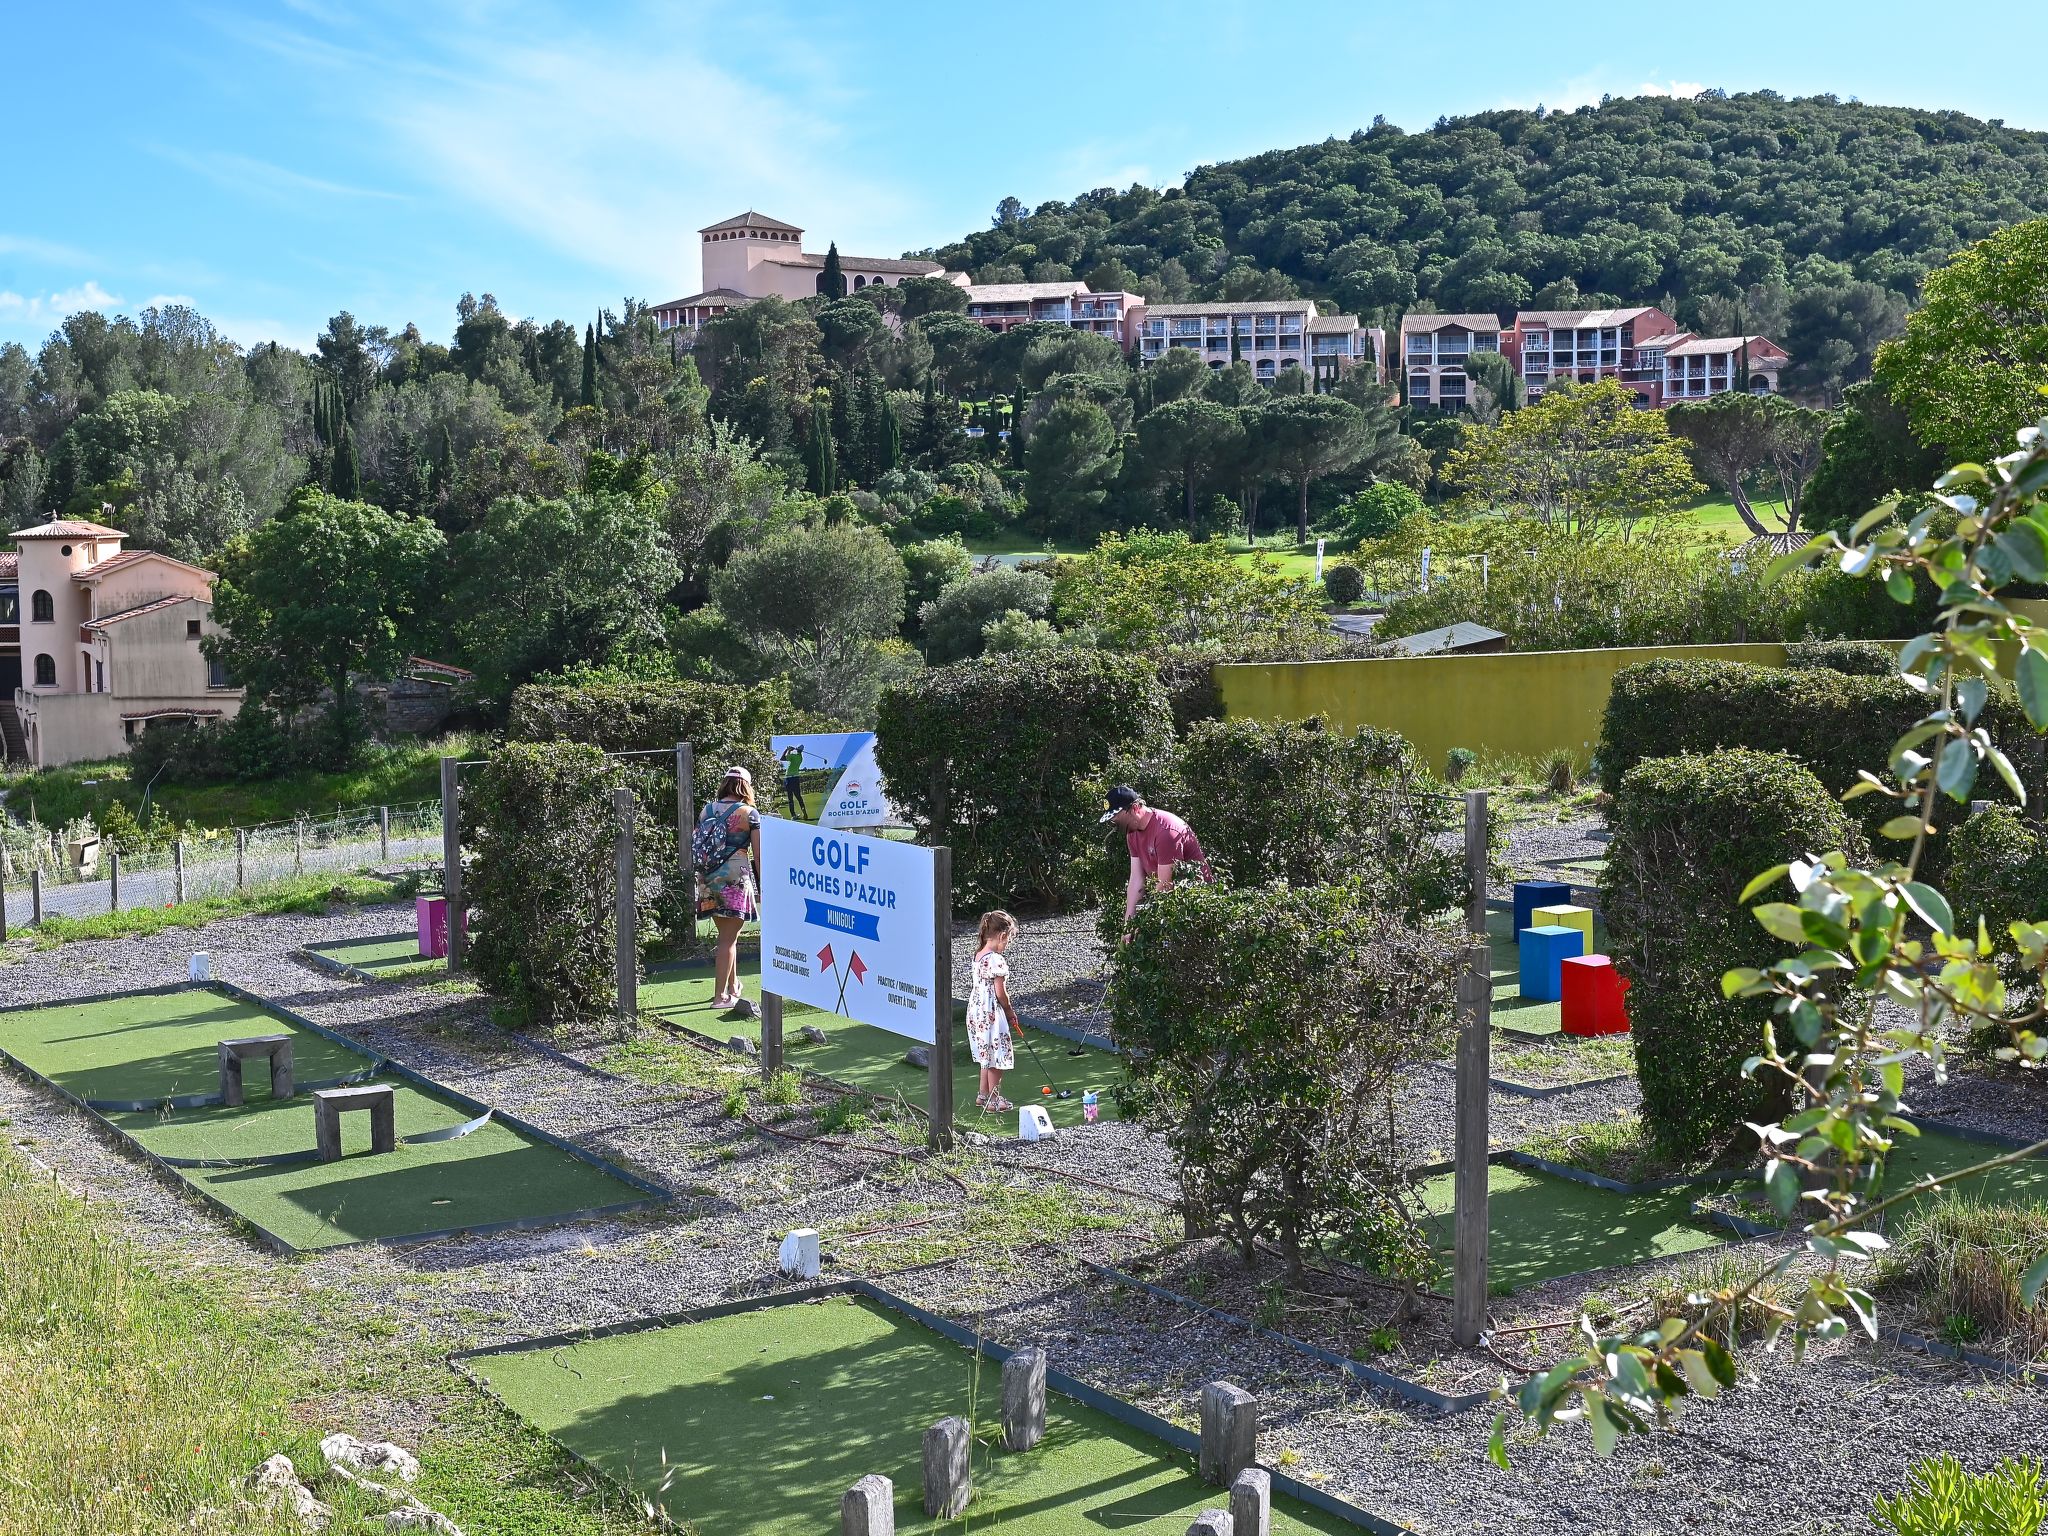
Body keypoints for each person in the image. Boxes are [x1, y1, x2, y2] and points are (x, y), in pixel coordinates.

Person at [695, 766, 762, 1015]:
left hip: (708, 876)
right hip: (735, 874)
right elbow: (758, 856)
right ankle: (720, 997)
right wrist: (763, 886)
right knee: (728, 939)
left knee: (726, 935)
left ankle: (733, 986)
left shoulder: (707, 810)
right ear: (746, 786)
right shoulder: (750, 813)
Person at [1101, 785, 1213, 933]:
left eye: (1118, 818)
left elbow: (1165, 886)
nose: (1116, 824)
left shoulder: (1166, 832)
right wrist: (1128, 926)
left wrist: (1142, 924)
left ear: (1135, 808)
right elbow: (1136, 880)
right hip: (1168, 903)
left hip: (1195, 906)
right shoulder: (1132, 832)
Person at [966, 910, 1021, 1113]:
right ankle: (994, 1100)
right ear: (1002, 935)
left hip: (976, 1011)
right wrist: (1009, 1011)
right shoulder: (996, 960)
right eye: (1009, 939)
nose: (1008, 944)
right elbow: (1000, 993)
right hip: (991, 1013)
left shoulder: (979, 954)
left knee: (985, 1055)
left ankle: (983, 1095)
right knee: (996, 1057)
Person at [779, 742, 810, 820]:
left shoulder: (793, 756)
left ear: (797, 749)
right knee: (799, 797)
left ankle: (793, 815)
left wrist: (788, 749)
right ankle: (804, 811)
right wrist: (790, 750)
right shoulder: (800, 758)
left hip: (789, 779)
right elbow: (788, 757)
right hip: (796, 778)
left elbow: (782, 758)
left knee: (790, 798)